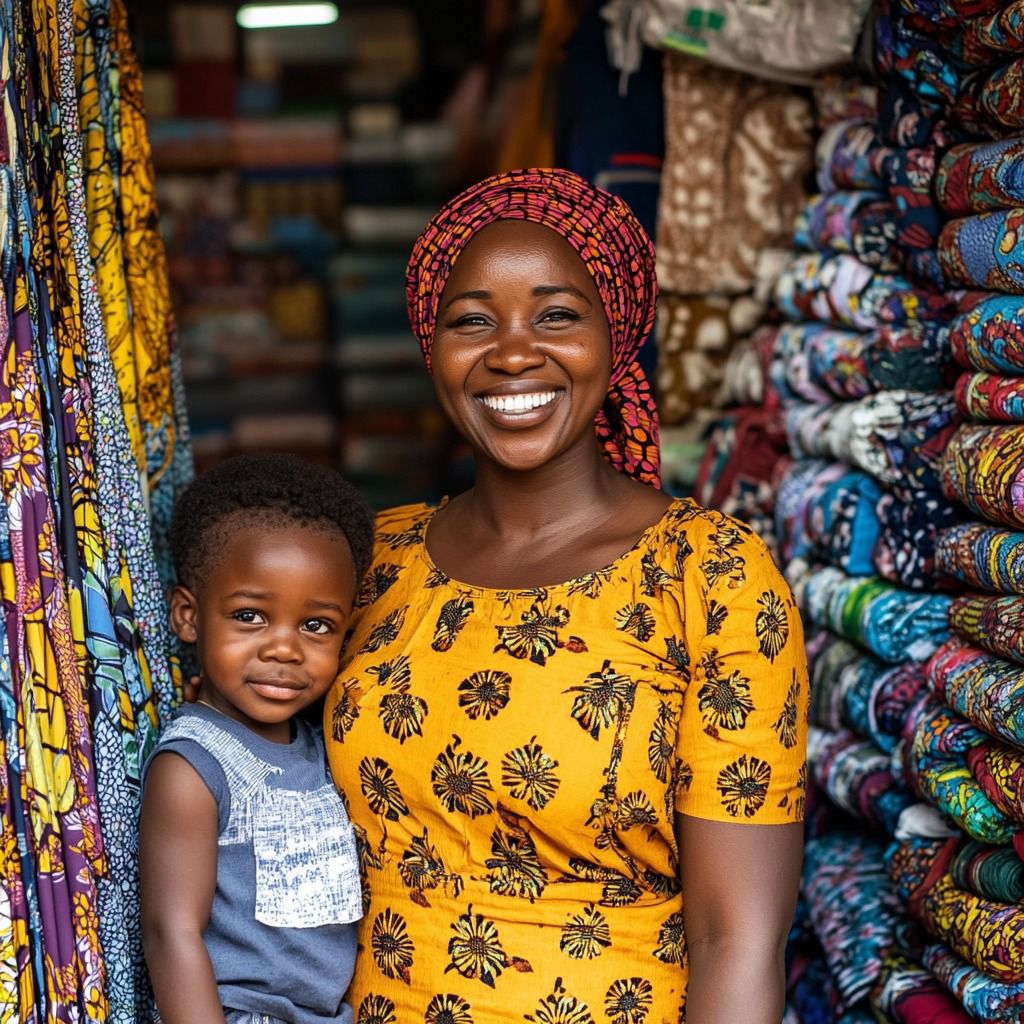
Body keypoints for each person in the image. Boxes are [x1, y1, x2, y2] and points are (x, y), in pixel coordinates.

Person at [324, 168, 809, 1023]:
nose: (513, 353)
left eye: (556, 315)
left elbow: (735, 939)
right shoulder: (373, 562)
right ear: (431, 347)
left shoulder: (709, 576)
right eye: (472, 320)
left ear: (614, 335)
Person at [140, 453, 374, 1024]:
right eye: (250, 616)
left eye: (316, 625)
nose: (284, 649)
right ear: (189, 616)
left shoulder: (322, 745)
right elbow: (171, 933)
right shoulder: (193, 767)